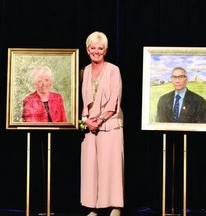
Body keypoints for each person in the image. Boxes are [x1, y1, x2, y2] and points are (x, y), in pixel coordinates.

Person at [80, 31, 124, 216]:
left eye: (100, 48)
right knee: (91, 167)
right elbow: (81, 102)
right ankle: (93, 207)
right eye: (93, 48)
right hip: (89, 126)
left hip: (110, 124)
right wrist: (85, 121)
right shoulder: (85, 70)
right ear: (87, 49)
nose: (96, 51)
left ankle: (115, 206)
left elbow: (114, 101)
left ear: (105, 50)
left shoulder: (113, 70)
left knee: (111, 167)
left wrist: (99, 121)